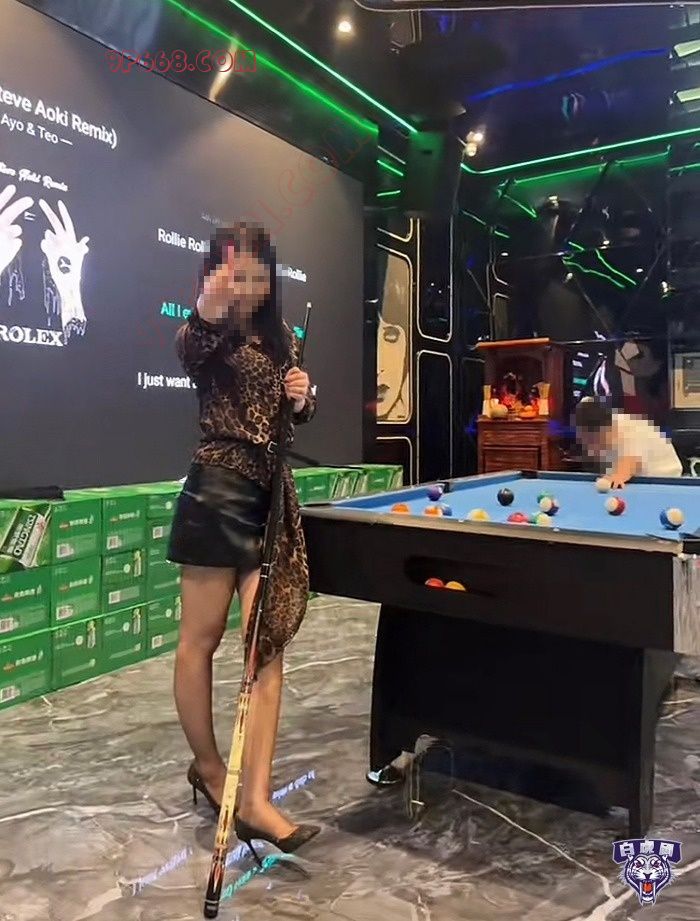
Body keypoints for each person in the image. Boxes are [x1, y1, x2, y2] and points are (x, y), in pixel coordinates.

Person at [167, 222, 320, 858]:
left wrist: (303, 397)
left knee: (266, 646)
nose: (248, 288)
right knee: (199, 642)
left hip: (269, 499)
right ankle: (209, 769)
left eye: (258, 277)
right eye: (238, 276)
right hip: (216, 494)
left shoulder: (283, 337)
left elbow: (293, 414)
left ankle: (254, 799)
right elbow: (192, 343)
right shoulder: (209, 330)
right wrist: (210, 302)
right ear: (217, 274)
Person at [575, 399, 682, 486]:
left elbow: (631, 461)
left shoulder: (629, 431)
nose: (591, 447)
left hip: (667, 481)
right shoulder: (600, 420)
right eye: (586, 440)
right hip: (641, 478)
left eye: (594, 440)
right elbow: (586, 403)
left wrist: (618, 476)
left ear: (607, 429)